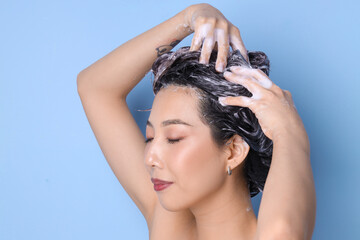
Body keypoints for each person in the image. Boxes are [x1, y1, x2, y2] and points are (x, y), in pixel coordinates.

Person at [77, 3, 316, 240]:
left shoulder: (170, 228)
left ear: (233, 150)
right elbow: (95, 88)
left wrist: (288, 130)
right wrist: (190, 17)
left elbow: (284, 232)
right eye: (150, 138)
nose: (149, 157)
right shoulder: (170, 225)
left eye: (173, 138)